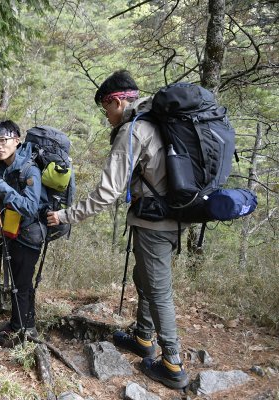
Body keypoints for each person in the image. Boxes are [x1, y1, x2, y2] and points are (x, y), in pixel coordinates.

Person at [46, 70, 189, 389]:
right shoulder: (154, 122)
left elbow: (108, 192)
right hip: (166, 214)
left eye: (105, 108)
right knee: (144, 277)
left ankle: (172, 364)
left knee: (158, 287)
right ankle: (143, 338)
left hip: (155, 220)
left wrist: (67, 216)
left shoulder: (133, 131)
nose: (106, 116)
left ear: (117, 101)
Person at [0, 120, 47, 339]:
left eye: (3, 140)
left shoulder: (29, 169)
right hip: (12, 231)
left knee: (21, 284)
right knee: (20, 282)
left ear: (17, 140)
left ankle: (18, 330)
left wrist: (0, 185)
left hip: (29, 233)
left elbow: (30, 207)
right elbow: (2, 201)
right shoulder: (5, 169)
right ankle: (25, 325)